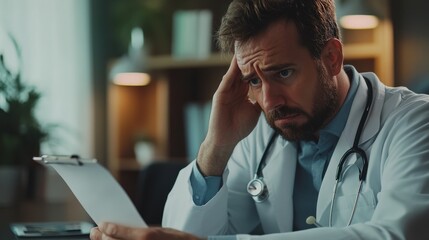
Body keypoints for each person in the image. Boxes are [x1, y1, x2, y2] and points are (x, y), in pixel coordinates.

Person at [90, 0, 429, 239]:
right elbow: (188, 234)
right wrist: (216, 146)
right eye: (253, 80)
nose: (269, 101)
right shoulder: (259, 134)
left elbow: (399, 234)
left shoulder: (414, 122)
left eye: (283, 72)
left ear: (331, 57)